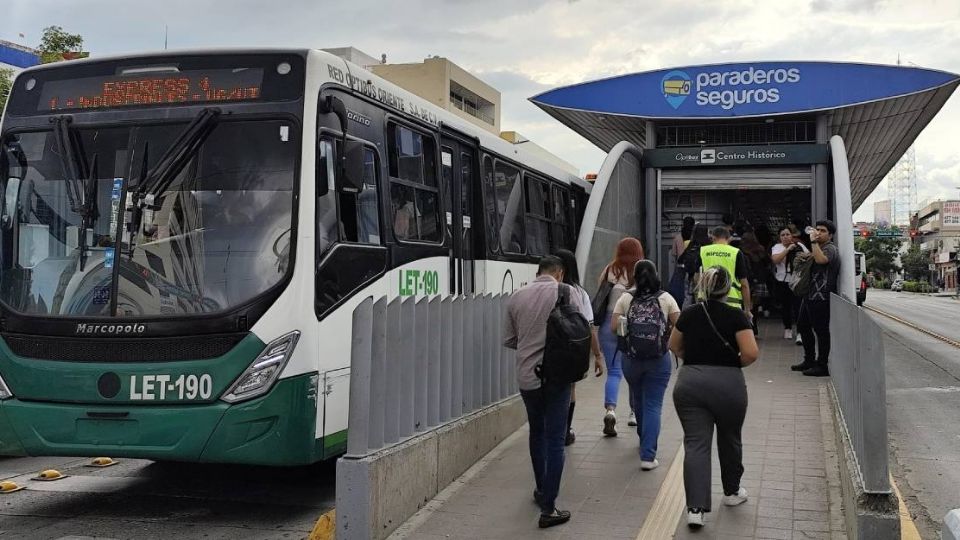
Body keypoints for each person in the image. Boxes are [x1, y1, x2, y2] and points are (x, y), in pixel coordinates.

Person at [669, 266, 760, 529]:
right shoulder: (737, 316)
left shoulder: (689, 314)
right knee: (730, 438)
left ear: (702, 287)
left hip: (690, 385)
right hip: (728, 385)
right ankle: (731, 492)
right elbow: (751, 353)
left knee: (696, 444)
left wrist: (696, 361)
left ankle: (695, 510)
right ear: (727, 288)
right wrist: (730, 364)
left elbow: (673, 345)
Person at [503, 256, 585, 529]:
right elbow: (577, 330)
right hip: (557, 375)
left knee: (536, 432)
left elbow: (510, 339)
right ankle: (549, 507)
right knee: (555, 438)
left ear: (537, 272)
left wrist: (532, 343)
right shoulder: (565, 291)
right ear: (560, 273)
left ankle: (540, 490)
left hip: (528, 377)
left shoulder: (517, 297)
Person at [612, 260, 680, 471]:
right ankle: (648, 455)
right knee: (653, 405)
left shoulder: (626, 298)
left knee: (639, 399)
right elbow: (680, 324)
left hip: (631, 360)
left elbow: (614, 327)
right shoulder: (666, 298)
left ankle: (644, 438)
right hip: (658, 360)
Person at [595, 237, 644, 436]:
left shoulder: (610, 270)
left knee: (614, 371)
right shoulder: (641, 270)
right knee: (634, 371)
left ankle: (611, 411)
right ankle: (633, 413)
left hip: (609, 323)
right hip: (633, 324)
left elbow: (599, 294)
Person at [555, 249, 604, 446]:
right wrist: (597, 355)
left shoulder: (543, 290)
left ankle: (553, 428)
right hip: (571, 348)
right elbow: (590, 326)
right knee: (570, 388)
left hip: (549, 347)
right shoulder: (580, 293)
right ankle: (565, 430)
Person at [792, 220, 840, 377]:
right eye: (817, 229)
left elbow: (822, 260)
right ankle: (809, 360)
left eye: (823, 231)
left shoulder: (830, 248)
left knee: (821, 331)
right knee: (803, 326)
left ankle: (822, 365)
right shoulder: (818, 247)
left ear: (830, 235)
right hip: (809, 295)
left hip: (821, 297)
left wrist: (813, 242)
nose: (818, 232)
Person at [694, 227, 753, 319]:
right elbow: (744, 284)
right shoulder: (736, 253)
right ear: (729, 238)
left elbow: (696, 278)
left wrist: (698, 298)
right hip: (731, 303)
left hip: (706, 303)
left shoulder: (703, 251)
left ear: (712, 238)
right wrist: (747, 310)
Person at [771, 227, 808, 340]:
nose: (785, 237)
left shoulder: (799, 246)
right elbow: (776, 260)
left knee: (798, 307)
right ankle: (787, 328)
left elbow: (809, 256)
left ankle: (800, 332)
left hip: (796, 281)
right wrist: (787, 250)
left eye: (787, 234)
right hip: (782, 281)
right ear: (779, 237)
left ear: (792, 236)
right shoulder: (777, 247)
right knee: (785, 306)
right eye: (783, 235)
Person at [739, 231, 770, 336]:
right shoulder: (760, 249)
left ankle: (747, 326)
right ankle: (754, 325)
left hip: (746, 279)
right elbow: (767, 263)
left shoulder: (741, 251)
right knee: (755, 305)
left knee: (745, 304)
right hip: (759, 280)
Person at [667, 217, 696, 306]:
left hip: (680, 267)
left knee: (678, 291)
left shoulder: (677, 237)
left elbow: (674, 254)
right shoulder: (694, 238)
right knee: (691, 292)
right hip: (692, 267)